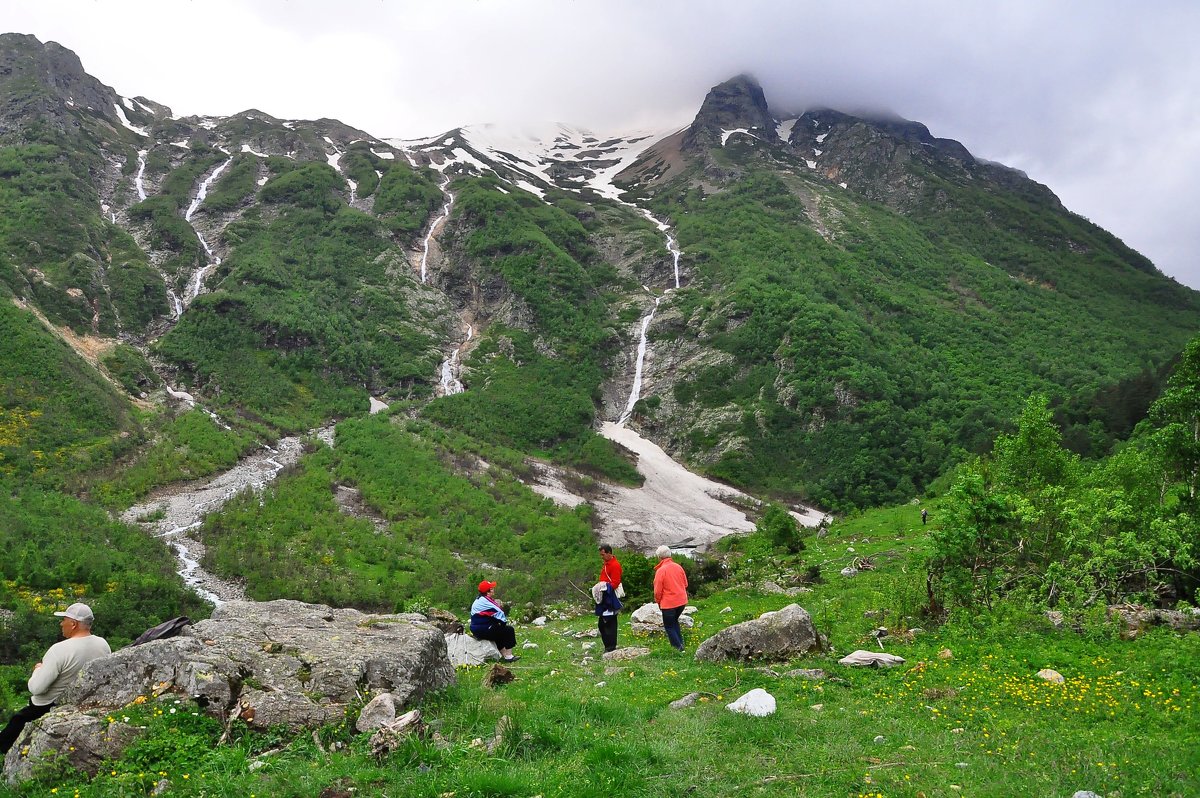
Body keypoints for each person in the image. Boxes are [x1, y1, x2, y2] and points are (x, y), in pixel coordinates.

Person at [0, 603, 111, 754]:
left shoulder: (59, 650)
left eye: (64, 619)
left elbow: (36, 688)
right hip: (83, 700)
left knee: (16, 722)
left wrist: (38, 670)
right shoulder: (102, 644)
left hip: (48, 705)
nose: (61, 623)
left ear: (73, 624)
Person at [469, 581, 520, 663]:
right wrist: (503, 624)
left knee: (497, 632)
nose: (493, 590)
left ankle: (505, 656)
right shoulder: (485, 601)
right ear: (488, 592)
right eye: (491, 588)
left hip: (478, 628)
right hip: (482, 629)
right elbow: (500, 612)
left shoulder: (479, 599)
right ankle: (509, 656)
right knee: (508, 630)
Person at [653, 545, 689, 652]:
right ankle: (681, 645)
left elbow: (657, 591)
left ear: (659, 557)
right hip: (681, 602)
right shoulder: (678, 567)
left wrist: (658, 602)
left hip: (668, 603)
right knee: (674, 622)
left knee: (669, 626)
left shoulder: (661, 571)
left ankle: (678, 649)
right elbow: (685, 584)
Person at [595, 544, 623, 652]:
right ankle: (608, 646)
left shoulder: (614, 565)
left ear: (609, 553)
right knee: (602, 623)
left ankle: (611, 647)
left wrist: (603, 588)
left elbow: (615, 582)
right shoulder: (607, 564)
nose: (602, 557)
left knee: (609, 622)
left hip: (609, 597)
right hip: (605, 596)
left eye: (603, 554)